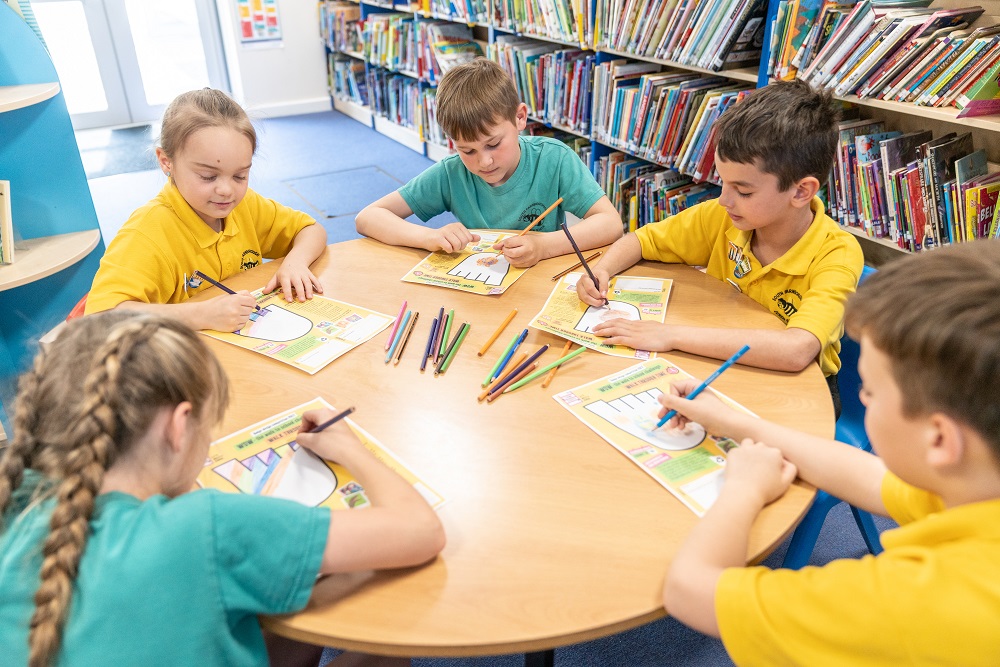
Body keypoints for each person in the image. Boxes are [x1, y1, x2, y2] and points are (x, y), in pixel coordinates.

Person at [0, 311, 445, 666]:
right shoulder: (205, 527)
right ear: (178, 428)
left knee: (275, 619)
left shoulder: (15, 490)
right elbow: (419, 530)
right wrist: (352, 449)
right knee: (388, 646)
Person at [658, 241, 1000, 665]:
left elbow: (689, 590)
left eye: (869, 392)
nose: (862, 397)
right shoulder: (977, 484)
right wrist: (734, 422)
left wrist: (743, 489)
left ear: (939, 440)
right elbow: (870, 476)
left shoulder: (907, 602)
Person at [577, 80, 863, 412]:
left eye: (743, 190)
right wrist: (602, 269)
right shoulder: (724, 216)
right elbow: (642, 241)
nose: (724, 199)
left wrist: (669, 335)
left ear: (801, 192)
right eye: (722, 182)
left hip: (802, 391)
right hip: (722, 363)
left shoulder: (836, 253)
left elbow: (796, 350)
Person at [85, 88, 328, 332]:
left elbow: (310, 229)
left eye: (240, 175)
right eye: (208, 176)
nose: (226, 190)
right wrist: (199, 314)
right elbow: (101, 319)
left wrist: (296, 262)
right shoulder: (147, 232)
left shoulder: (245, 205)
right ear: (166, 161)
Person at [355, 58, 622, 267]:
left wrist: (544, 247)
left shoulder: (554, 158)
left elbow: (610, 223)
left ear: (520, 118)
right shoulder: (452, 173)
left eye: (493, 144)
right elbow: (368, 218)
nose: (484, 161)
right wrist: (428, 237)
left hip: (538, 280)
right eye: (467, 150)